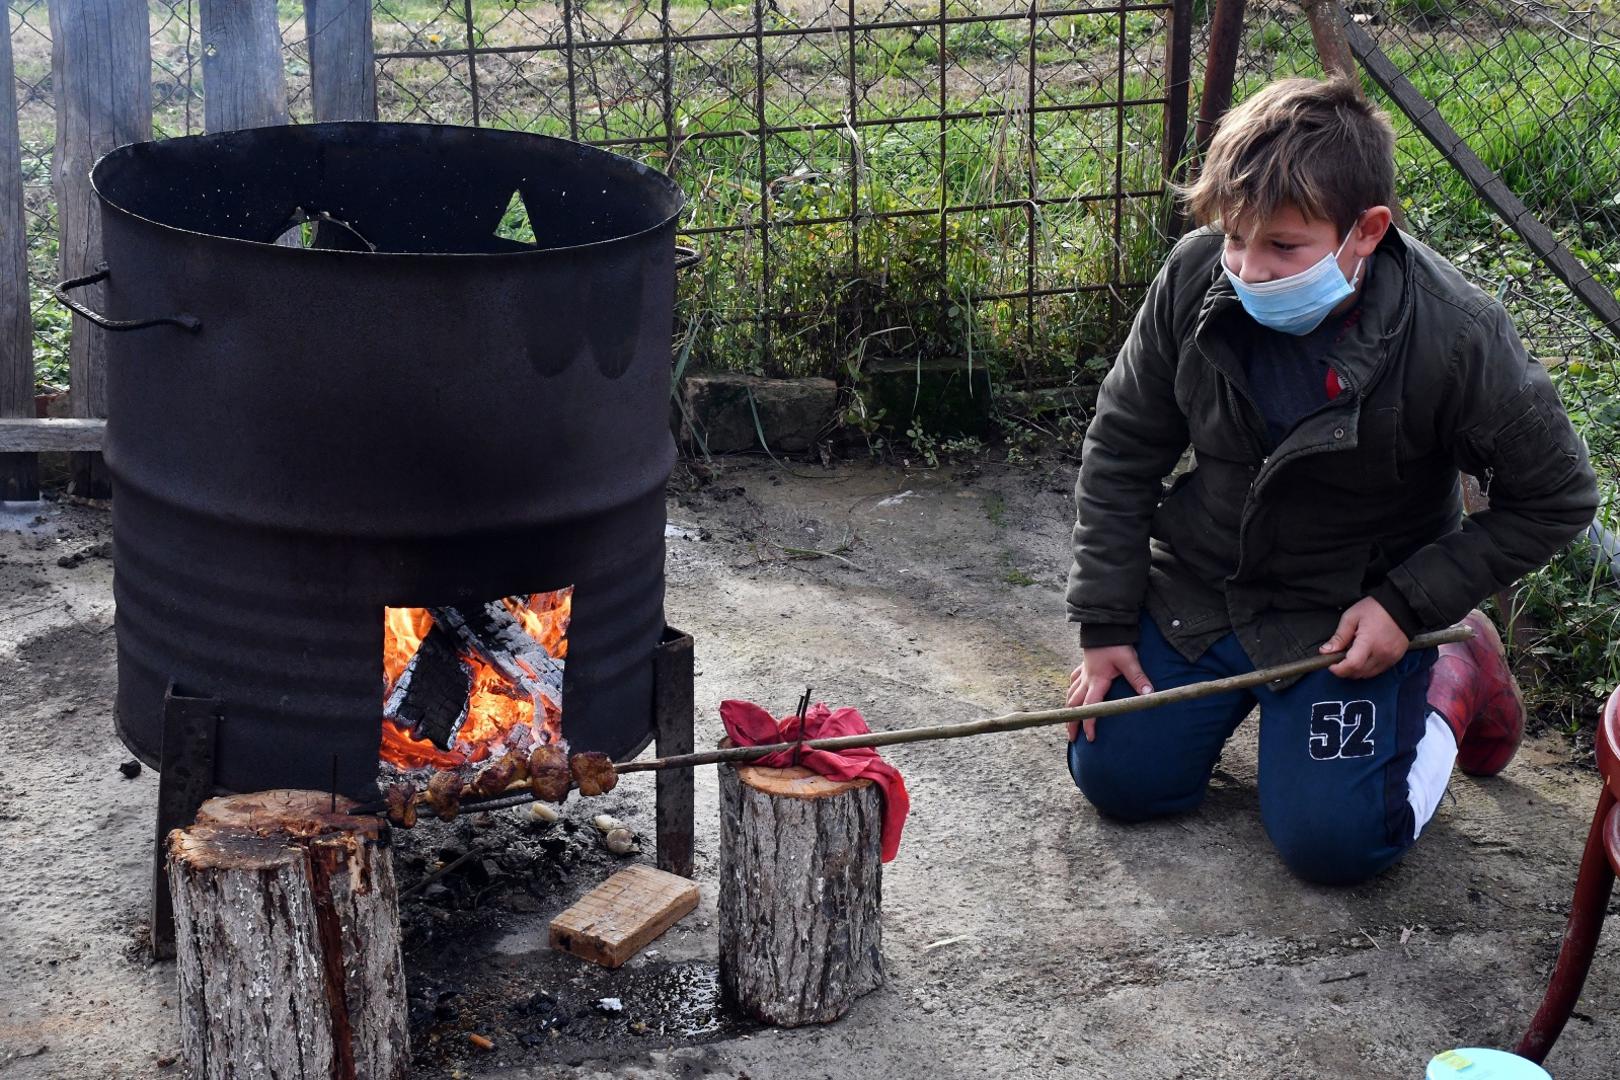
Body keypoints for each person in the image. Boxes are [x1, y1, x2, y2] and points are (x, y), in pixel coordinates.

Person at [1063, 76, 1599, 885]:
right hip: (1208, 587)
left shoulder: (1458, 336)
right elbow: (1122, 444)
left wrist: (1408, 604)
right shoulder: (1193, 274)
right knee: (1117, 779)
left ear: (1366, 231)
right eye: (1235, 238)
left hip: (1350, 613)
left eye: (1283, 247)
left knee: (1338, 846)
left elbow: (1558, 497)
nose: (1248, 268)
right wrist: (1103, 619)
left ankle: (1457, 675)